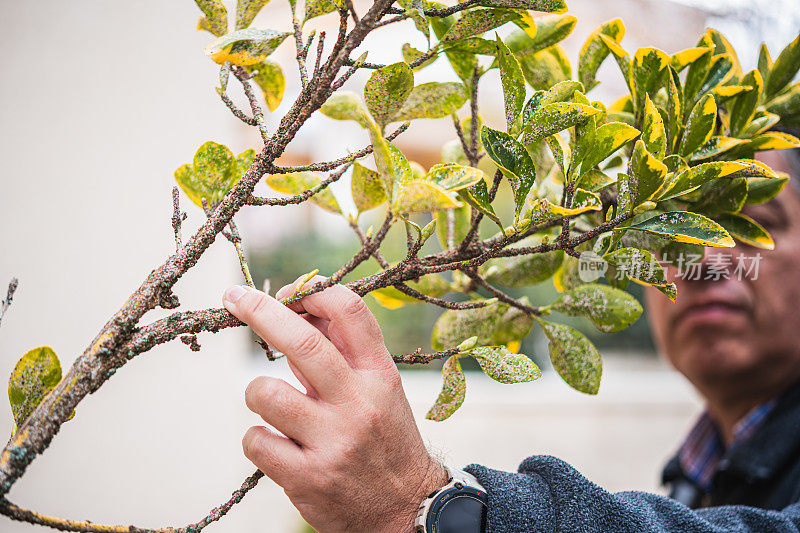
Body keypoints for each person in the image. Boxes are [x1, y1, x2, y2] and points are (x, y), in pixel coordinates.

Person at [220, 148, 800, 532]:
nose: (707, 259)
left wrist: (422, 505)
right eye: (672, 231)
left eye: (756, 226)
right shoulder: (697, 471)